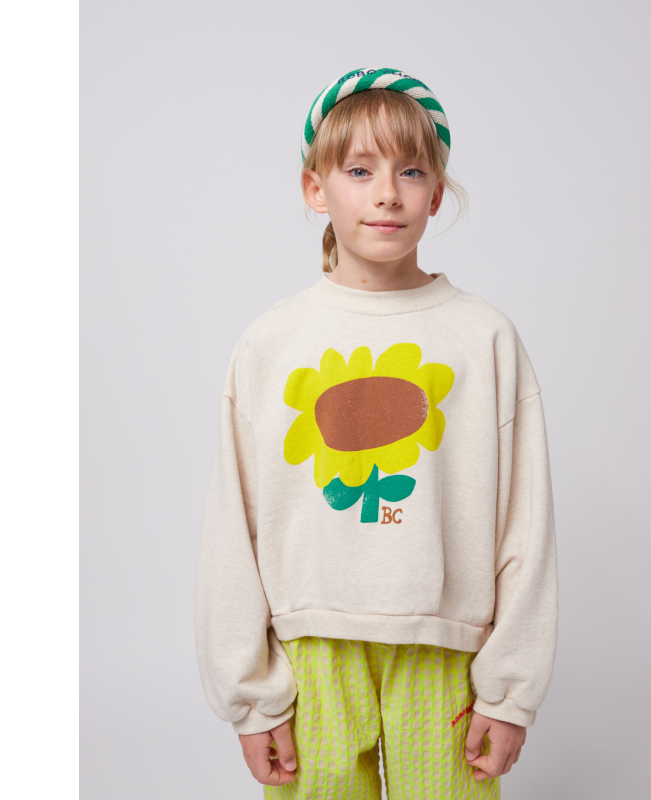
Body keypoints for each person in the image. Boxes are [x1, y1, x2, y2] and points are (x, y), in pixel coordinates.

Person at [194, 67, 559, 800]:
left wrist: (510, 690)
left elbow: (525, 524)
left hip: (446, 650)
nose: (387, 192)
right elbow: (233, 525)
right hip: (310, 654)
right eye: (359, 170)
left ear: (437, 192)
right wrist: (250, 693)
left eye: (411, 171)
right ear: (315, 188)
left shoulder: (483, 337)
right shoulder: (271, 342)